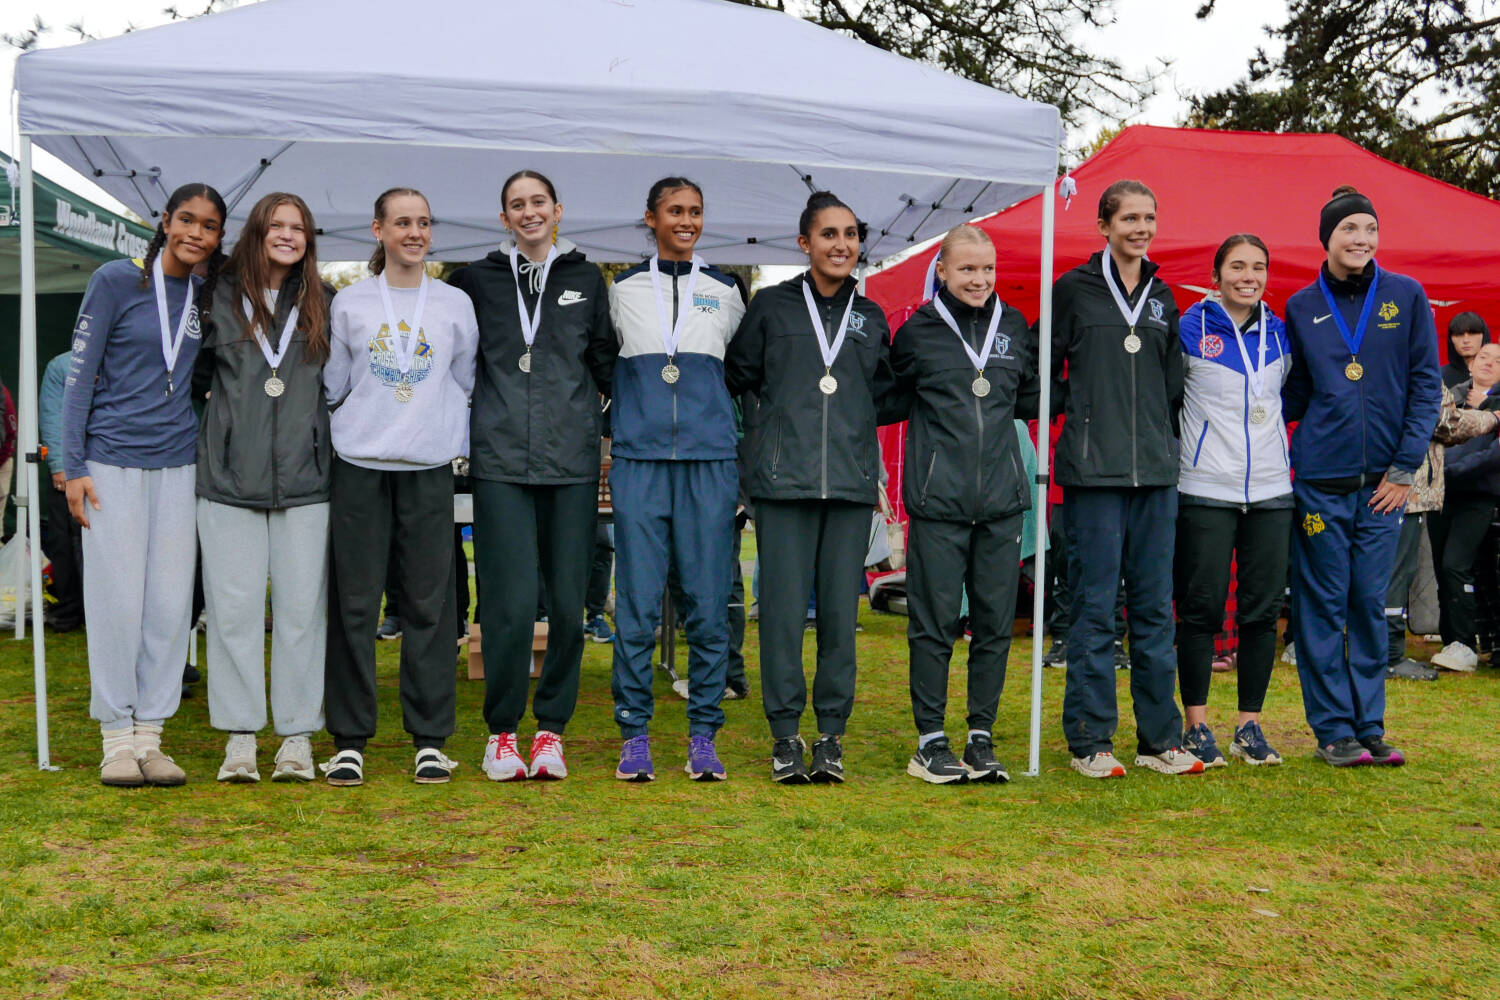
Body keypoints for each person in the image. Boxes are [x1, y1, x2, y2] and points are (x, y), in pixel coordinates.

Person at [450, 169, 616, 782]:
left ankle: (551, 732)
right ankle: (501, 734)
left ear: (558, 210)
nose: (528, 213)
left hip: (570, 462)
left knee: (569, 606)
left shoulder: (583, 278)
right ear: (503, 218)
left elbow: (604, 363)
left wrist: (599, 433)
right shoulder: (474, 280)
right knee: (509, 605)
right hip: (499, 462)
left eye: (537, 202)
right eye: (516, 205)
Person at [725, 190, 894, 784]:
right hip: (783, 484)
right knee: (781, 615)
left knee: (840, 622)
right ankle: (783, 735)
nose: (841, 244)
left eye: (850, 234)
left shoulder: (870, 317)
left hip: (848, 486)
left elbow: (887, 392)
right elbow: (737, 378)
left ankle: (830, 736)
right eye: (829, 234)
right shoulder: (771, 307)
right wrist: (759, 451)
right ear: (805, 243)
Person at [63, 183, 227, 786]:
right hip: (109, 462)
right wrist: (73, 466)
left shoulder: (207, 293)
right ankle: (115, 739)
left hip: (178, 463)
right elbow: (79, 378)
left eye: (208, 227)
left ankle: (152, 737)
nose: (195, 233)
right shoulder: (115, 280)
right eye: (186, 220)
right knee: (116, 602)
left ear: (216, 238)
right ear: (165, 220)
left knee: (166, 604)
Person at [321, 187, 479, 786]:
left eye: (424, 223)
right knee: (354, 605)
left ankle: (431, 738)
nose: (415, 233)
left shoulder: (455, 304)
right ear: (379, 230)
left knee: (430, 607)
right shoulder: (351, 304)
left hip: (428, 467)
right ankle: (349, 738)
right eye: (402, 223)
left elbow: (461, 381)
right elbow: (337, 383)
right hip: (359, 463)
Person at [1282, 185, 1441, 767]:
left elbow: (1426, 384)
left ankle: (1369, 725)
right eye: (1349, 229)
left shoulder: (1407, 294)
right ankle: (1333, 731)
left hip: (1385, 489)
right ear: (1326, 237)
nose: (1361, 240)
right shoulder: (1301, 306)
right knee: (1321, 606)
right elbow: (1293, 393)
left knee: (1368, 604)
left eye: (1370, 229)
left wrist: (1404, 470)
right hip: (1321, 484)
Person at [1050, 179, 1201, 779]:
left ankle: (1159, 740)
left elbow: (1172, 385)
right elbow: (1045, 365)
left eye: (1149, 217)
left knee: (1153, 609)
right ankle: (1090, 740)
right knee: (1093, 607)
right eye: (1130, 218)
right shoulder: (1073, 290)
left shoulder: (1164, 296)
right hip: (1094, 474)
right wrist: (1083, 411)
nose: (1141, 228)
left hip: (1155, 475)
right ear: (1104, 225)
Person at [886, 224, 1037, 784]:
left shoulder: (1014, 327)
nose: (979, 279)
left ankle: (981, 736)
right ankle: (930, 740)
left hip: (1001, 502)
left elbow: (1026, 398)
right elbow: (888, 397)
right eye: (967, 269)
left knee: (995, 624)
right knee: (934, 624)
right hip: (939, 501)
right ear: (943, 271)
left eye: (988, 269)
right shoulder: (918, 332)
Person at [607, 177, 746, 782]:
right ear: (651, 218)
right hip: (639, 462)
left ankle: (703, 735)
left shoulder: (727, 291)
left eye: (695, 211)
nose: (686, 221)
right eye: (674, 212)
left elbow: (737, 373)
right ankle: (634, 734)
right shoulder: (621, 290)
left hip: (708, 463)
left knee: (709, 606)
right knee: (636, 606)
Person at [193, 191, 334, 784]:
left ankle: (297, 737)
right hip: (228, 479)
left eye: (297, 228)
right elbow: (194, 379)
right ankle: (241, 737)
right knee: (233, 613)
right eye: (276, 226)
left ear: (308, 240)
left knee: (303, 612)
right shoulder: (217, 298)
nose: (287, 236)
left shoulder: (326, 301)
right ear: (256, 232)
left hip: (306, 481)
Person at [1173, 234, 1292, 768]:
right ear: (1216, 273)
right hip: (1206, 487)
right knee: (1200, 610)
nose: (1249, 276)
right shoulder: (1189, 327)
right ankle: (1196, 724)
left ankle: (1249, 724)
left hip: (1270, 488)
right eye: (1238, 266)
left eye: (1259, 267)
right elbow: (1170, 397)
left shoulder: (1282, 332)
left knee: (1261, 611)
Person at [1428, 342, 1500, 671]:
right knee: (1443, 567)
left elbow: (1491, 456)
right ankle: (1451, 641)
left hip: (1479, 496)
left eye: (1497, 360)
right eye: (1483, 356)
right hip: (1441, 495)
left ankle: (1466, 643)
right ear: (1471, 363)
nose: (1488, 363)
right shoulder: (1449, 397)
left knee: (1458, 564)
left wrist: (1448, 470)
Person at [39, 351, 85, 631]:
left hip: (105, 463)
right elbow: (52, 415)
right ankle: (69, 611)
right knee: (65, 542)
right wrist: (59, 466)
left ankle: (88, 611)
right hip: (69, 467)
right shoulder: (61, 366)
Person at [1442, 312, 1489, 388]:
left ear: (1483, 336)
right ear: (1451, 339)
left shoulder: (1496, 374)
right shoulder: (1438, 377)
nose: (1466, 340)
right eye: (1459, 334)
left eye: (1472, 333)